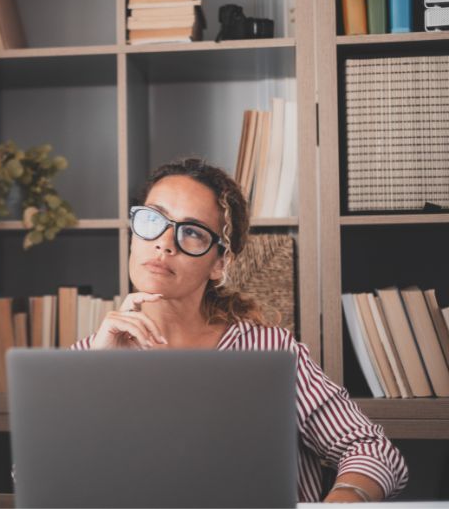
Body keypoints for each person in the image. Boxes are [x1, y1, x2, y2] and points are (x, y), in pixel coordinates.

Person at [71, 158, 408, 503]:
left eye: (192, 231)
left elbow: (372, 450)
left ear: (219, 263)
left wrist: (343, 498)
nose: (164, 243)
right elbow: (39, 481)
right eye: (152, 219)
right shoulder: (89, 356)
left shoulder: (269, 351)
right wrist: (97, 379)